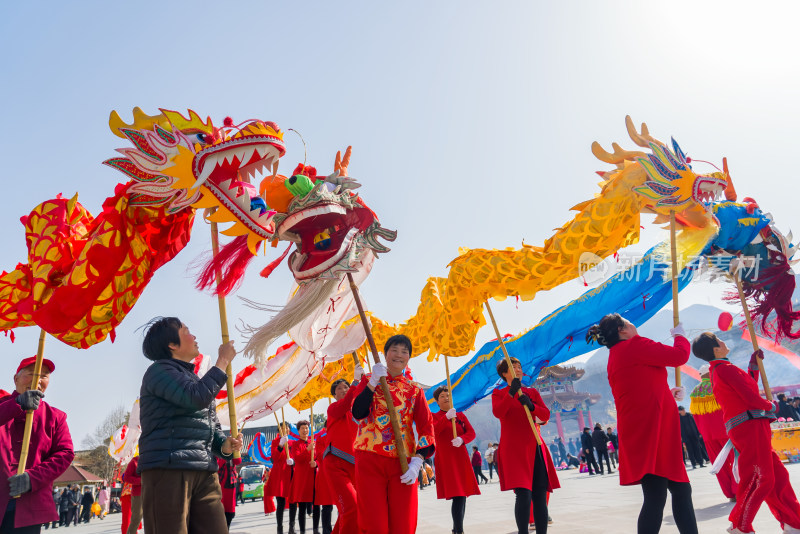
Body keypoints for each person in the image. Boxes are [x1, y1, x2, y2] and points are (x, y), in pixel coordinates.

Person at [587, 314, 697, 534]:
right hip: (654, 430)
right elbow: (679, 356)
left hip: (644, 429)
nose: (632, 323)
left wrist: (666, 394)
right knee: (666, 494)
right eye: (629, 321)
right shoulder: (634, 345)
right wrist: (680, 337)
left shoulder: (617, 355)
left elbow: (639, 389)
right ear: (622, 330)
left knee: (667, 493)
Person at [137, 317, 243, 534]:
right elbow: (194, 398)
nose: (194, 336)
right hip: (169, 469)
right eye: (186, 331)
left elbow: (211, 426)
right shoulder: (159, 371)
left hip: (204, 470)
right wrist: (222, 361)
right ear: (172, 345)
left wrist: (224, 446)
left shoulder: (194, 378)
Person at [692, 332, 800, 534]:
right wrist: (771, 405)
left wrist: (753, 368)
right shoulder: (725, 369)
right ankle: (739, 524)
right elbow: (749, 397)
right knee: (761, 477)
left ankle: (793, 521)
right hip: (749, 426)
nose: (724, 341)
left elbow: (746, 387)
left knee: (777, 476)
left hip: (750, 425)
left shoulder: (722, 369)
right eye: (719, 340)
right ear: (716, 349)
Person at [351, 334, 435, 534]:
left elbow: (426, 427)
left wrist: (418, 461)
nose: (399, 355)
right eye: (394, 350)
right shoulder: (369, 381)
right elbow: (357, 412)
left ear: (408, 357)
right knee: (374, 523)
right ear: (385, 354)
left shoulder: (415, 390)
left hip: (403, 463)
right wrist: (372, 383)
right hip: (370, 458)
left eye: (404, 351)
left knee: (403, 523)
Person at [0, 356, 74, 533]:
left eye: (44, 375)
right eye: (31, 374)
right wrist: (15, 405)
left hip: (29, 506)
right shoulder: (3, 406)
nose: (37, 380)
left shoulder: (56, 417)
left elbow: (65, 454)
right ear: (16, 378)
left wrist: (32, 478)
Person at [492, 356, 559, 534]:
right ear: (504, 373)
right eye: (513, 367)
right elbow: (499, 412)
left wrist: (531, 406)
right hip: (514, 449)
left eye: (519, 366)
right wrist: (511, 393)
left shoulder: (532, 392)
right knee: (523, 493)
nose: (518, 369)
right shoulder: (498, 393)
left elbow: (545, 415)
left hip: (535, 446)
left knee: (539, 493)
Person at [431, 386, 480, 534]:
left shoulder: (460, 416)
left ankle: (457, 529)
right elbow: (433, 432)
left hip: (461, 457)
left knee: (462, 494)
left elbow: (471, 433)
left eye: (448, 395)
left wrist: (462, 439)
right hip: (446, 459)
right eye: (442, 396)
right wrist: (445, 419)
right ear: (437, 401)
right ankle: (459, 530)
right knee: (458, 494)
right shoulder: (434, 416)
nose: (446, 398)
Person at [688, 364, 736, 501]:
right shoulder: (717, 385)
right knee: (735, 461)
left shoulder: (694, 392)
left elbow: (695, 416)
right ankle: (737, 490)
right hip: (725, 430)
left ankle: (729, 494)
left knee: (719, 465)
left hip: (707, 435)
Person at [325, 372, 362, 534]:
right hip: (335, 461)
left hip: (355, 464)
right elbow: (345, 404)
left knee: (352, 509)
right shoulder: (333, 408)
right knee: (351, 507)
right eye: (339, 388)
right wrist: (355, 382)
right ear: (334, 395)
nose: (344, 390)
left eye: (346, 387)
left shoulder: (358, 412)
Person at [288, 420, 315, 534]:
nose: (305, 430)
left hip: (313, 477)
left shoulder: (313, 442)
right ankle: (302, 531)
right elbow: (298, 459)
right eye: (302, 428)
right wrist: (308, 449)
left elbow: (317, 457)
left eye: (307, 428)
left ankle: (315, 530)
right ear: (298, 431)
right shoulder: (295, 444)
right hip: (302, 479)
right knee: (302, 507)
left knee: (316, 506)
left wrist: (316, 463)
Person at [265, 422, 292, 534]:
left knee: (292, 502)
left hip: (289, 472)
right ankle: (279, 528)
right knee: (280, 503)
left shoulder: (292, 442)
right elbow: (275, 458)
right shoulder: (275, 442)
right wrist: (280, 445)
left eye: (286, 428)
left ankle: (292, 527)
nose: (284, 430)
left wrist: (293, 461)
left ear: (289, 430)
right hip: (279, 474)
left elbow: (296, 456)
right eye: (281, 428)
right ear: (278, 430)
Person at [313, 428, 334, 534]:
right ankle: (327, 531)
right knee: (327, 506)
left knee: (346, 504)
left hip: (343, 472)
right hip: (326, 474)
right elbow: (321, 456)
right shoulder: (321, 438)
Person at [217, 456, 242, 529]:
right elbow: (217, 464)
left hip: (231, 482)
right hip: (220, 482)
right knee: (220, 510)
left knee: (230, 511)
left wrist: (235, 451)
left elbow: (238, 461)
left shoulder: (232, 449)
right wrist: (225, 454)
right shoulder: (217, 450)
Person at [122, 456, 141, 534]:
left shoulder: (152, 459)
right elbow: (125, 477)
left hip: (151, 492)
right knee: (132, 518)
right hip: (131, 494)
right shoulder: (134, 461)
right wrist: (141, 480)